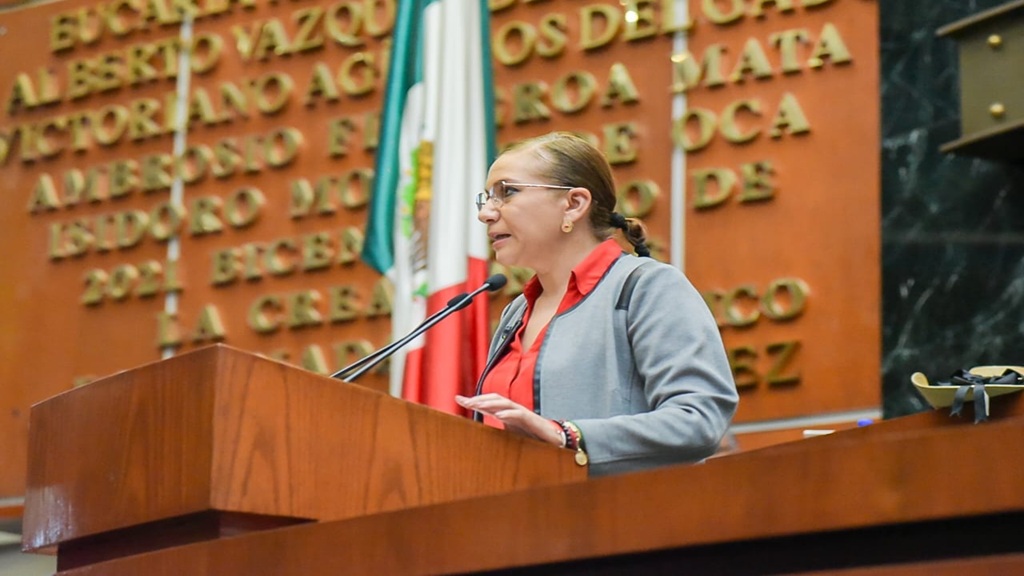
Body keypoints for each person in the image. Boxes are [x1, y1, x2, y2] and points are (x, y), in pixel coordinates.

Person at [454, 131, 739, 476]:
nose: (486, 213)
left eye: (507, 192)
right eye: (486, 198)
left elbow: (700, 418)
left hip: (616, 509)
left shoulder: (645, 287)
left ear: (574, 203)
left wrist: (570, 436)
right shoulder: (516, 313)